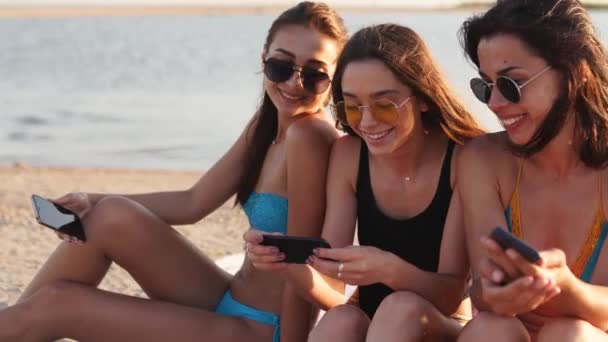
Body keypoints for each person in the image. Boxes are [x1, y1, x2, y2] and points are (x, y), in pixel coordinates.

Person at [0, 2, 347, 341]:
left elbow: (302, 261)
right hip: (226, 297)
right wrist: (88, 200)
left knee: (57, 304)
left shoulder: (309, 137)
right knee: (110, 215)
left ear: (334, 80)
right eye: (281, 67)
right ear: (263, 58)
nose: (293, 83)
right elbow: (193, 202)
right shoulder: (267, 124)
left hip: (262, 328)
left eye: (315, 74)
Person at [245, 24, 485, 342]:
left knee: (400, 309)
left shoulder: (461, 158)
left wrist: (389, 270)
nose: (368, 122)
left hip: (441, 324)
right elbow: (332, 288)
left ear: (423, 98)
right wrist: (285, 264)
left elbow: (449, 294)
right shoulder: (348, 155)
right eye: (353, 107)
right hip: (372, 325)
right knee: (341, 319)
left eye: (384, 105)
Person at [456, 0, 608, 341]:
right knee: (490, 327)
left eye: (511, 84)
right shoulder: (483, 159)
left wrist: (567, 289)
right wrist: (493, 294)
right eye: (485, 86)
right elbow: (481, 289)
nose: (494, 103)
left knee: (568, 333)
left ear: (575, 74)